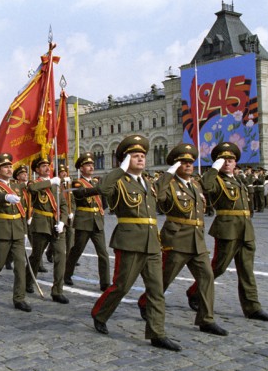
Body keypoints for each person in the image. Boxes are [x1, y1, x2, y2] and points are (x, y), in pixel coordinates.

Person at [91, 135, 181, 351]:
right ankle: (100, 313)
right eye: (134, 156)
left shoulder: (148, 184)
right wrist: (119, 170)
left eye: (142, 156)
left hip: (151, 243)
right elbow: (102, 189)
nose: (140, 159)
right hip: (130, 242)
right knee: (122, 285)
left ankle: (157, 333)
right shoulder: (119, 182)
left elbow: (161, 192)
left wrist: (172, 171)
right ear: (124, 160)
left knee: (156, 290)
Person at [137, 143, 227, 336]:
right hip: (176, 239)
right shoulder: (169, 184)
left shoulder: (194, 185)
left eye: (190, 163)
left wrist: (214, 168)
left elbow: (209, 185)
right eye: (183, 162)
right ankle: (145, 301)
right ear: (176, 165)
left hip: (197, 240)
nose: (188, 165)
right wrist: (167, 175)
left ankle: (206, 319)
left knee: (207, 277)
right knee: (164, 279)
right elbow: (156, 196)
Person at [186, 142, 268, 322]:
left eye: (231, 159)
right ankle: (194, 291)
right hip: (227, 229)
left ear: (235, 162)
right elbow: (204, 186)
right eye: (223, 159)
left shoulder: (239, 180)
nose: (227, 162)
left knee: (247, 270)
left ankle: (252, 307)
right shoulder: (216, 180)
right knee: (218, 267)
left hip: (245, 229)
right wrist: (214, 168)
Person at [0, 153, 31, 312]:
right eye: (5, 167)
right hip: (2, 229)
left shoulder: (16, 186)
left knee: (20, 265)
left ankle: (19, 298)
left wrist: (24, 231)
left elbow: (22, 209)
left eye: (10, 166)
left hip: (17, 228)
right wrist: (6, 197)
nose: (9, 169)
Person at [64, 152, 111, 292]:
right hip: (84, 221)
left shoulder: (96, 182)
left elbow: (104, 201)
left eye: (91, 164)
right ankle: (67, 274)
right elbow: (80, 193)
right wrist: (99, 189)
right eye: (87, 165)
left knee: (103, 253)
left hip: (97, 221)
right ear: (81, 168)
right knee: (77, 250)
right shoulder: (77, 182)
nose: (91, 167)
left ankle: (105, 282)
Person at [25, 156, 69, 304]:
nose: (46, 168)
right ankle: (28, 280)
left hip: (56, 225)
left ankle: (57, 291)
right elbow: (31, 189)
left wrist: (63, 222)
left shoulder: (57, 186)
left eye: (48, 165)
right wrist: (50, 181)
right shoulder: (36, 183)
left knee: (61, 255)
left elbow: (63, 206)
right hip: (41, 224)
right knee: (37, 256)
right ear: (37, 169)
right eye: (42, 166)